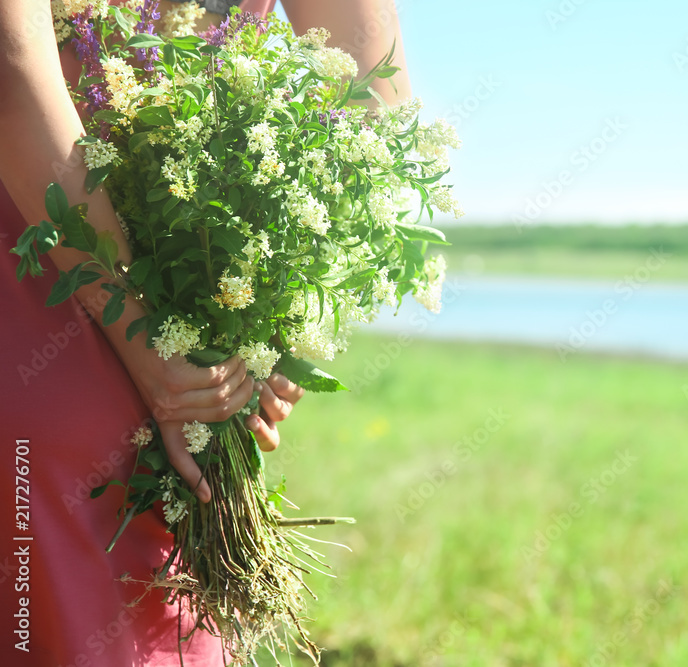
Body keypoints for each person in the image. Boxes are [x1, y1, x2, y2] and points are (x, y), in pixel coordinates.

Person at [0, 0, 410, 664]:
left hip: (122, 283)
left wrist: (261, 338)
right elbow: (374, 109)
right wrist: (250, 338)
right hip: (56, 279)